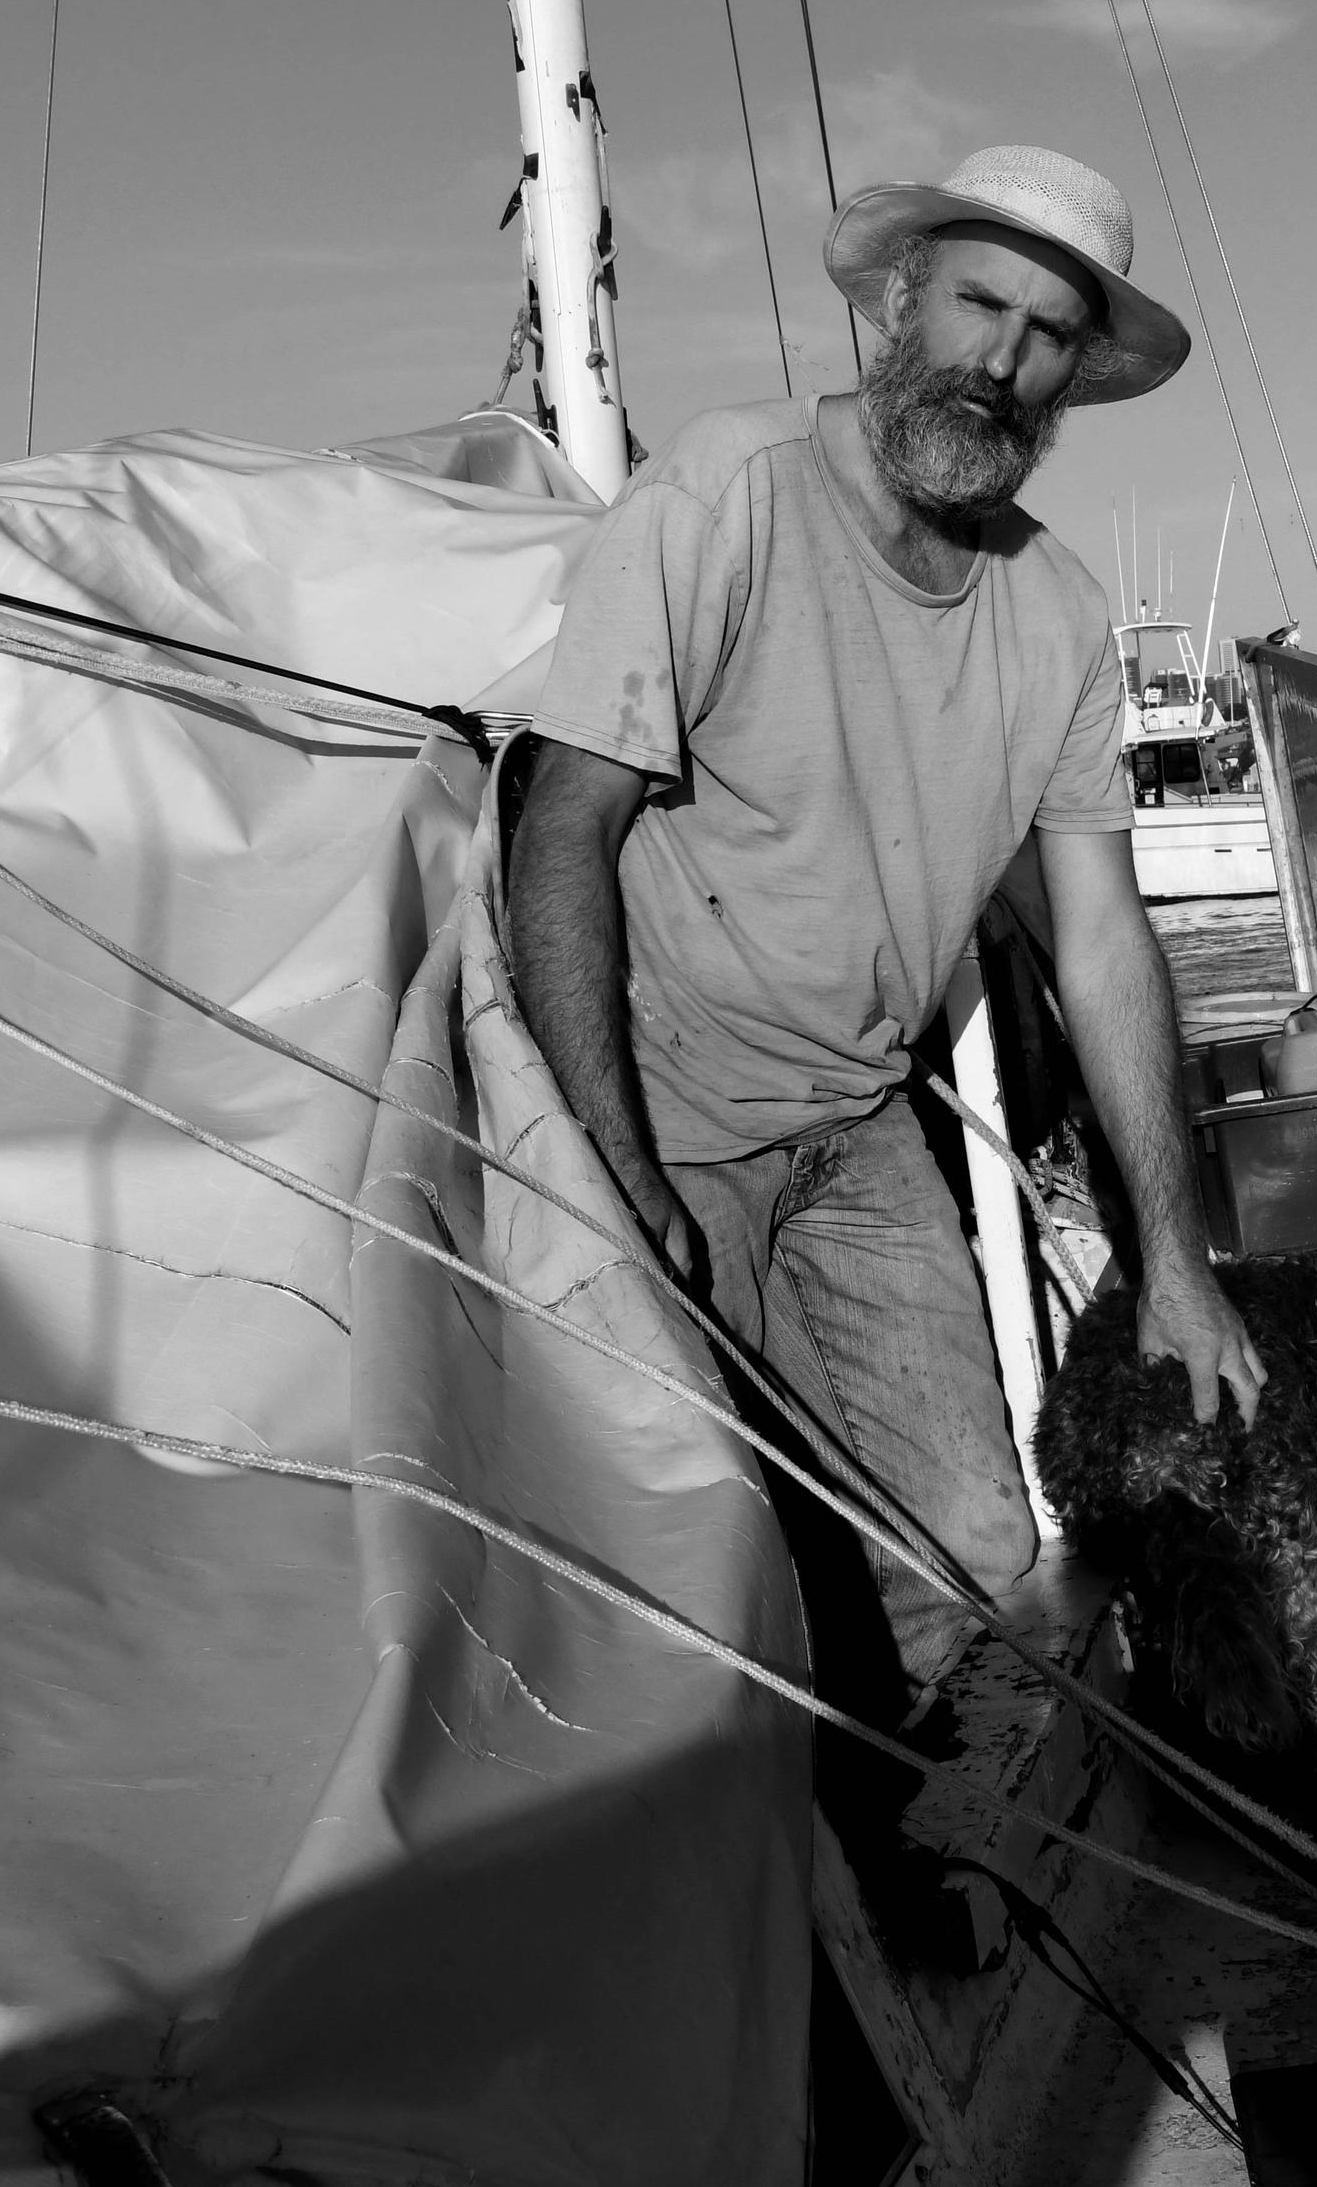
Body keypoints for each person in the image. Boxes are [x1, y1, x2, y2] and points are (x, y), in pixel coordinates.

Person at [506, 145, 1262, 1705]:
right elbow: (563, 823)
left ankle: (924, 1865)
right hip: (664, 1115)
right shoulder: (731, 491)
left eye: (1047, 332)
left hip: (855, 1125)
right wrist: (611, 1163)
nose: (1001, 359)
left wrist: (1176, 1265)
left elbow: (1103, 939)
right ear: (903, 302)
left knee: (979, 1555)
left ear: (1074, 377)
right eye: (981, 303)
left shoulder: (1055, 617)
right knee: (723, 1577)